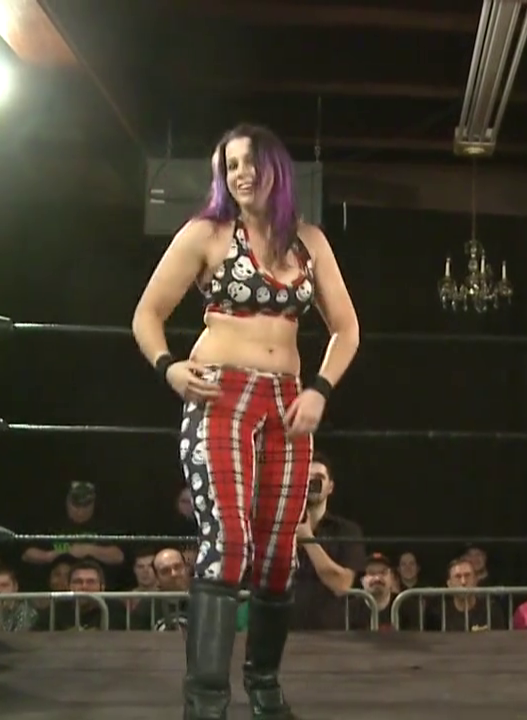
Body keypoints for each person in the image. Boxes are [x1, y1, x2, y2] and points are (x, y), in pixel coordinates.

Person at [131, 123, 360, 720]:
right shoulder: (206, 233)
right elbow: (147, 314)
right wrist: (169, 368)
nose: (240, 174)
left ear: (275, 169)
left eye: (250, 162)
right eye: (230, 165)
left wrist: (320, 390)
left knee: (280, 551)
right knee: (228, 541)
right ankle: (206, 701)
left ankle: (264, 687)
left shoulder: (308, 241)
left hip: (286, 402)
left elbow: (347, 329)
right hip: (221, 393)